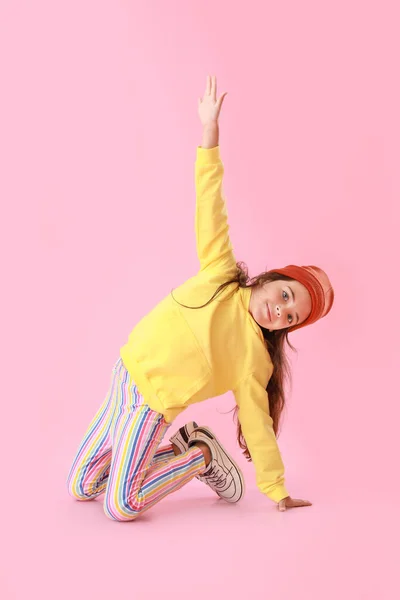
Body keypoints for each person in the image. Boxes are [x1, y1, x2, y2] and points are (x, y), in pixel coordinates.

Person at [67, 75, 334, 521]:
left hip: (153, 406)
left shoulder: (255, 360)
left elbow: (258, 423)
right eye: (286, 296)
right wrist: (209, 136)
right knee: (81, 486)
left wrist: (276, 489)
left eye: (291, 317)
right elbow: (210, 205)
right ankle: (168, 454)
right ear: (268, 280)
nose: (282, 311)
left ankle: (200, 456)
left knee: (121, 505)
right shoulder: (222, 274)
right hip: (124, 376)